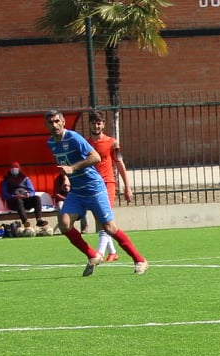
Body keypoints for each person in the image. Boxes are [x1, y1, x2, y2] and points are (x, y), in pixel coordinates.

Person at [47, 110, 148, 276]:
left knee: (108, 227)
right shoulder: (51, 143)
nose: (54, 125)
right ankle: (93, 255)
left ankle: (140, 260)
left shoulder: (74, 137)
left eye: (57, 121)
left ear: (63, 122)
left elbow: (95, 157)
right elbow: (63, 162)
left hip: (94, 188)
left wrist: (73, 168)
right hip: (77, 192)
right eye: (51, 122)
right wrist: (66, 177)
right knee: (64, 224)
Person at [86, 111, 132, 263]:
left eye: (99, 123)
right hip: (92, 185)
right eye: (93, 123)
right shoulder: (85, 144)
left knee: (105, 218)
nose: (96, 126)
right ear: (89, 124)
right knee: (101, 221)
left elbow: (119, 163)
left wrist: (127, 186)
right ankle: (112, 252)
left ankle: (99, 253)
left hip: (108, 183)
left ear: (103, 124)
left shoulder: (112, 143)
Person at [0, 162, 46, 235]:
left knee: (37, 198)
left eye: (16, 168)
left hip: (25, 200)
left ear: (19, 169)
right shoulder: (5, 180)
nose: (14, 170)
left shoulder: (25, 178)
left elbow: (32, 191)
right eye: (12, 168)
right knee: (18, 200)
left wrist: (29, 194)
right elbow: (4, 194)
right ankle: (25, 221)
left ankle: (39, 220)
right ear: (10, 169)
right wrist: (13, 196)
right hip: (13, 202)